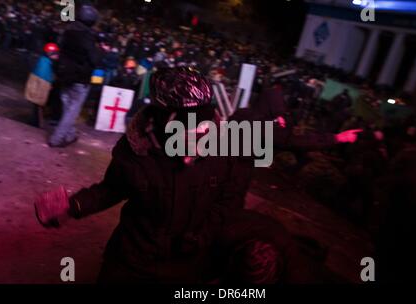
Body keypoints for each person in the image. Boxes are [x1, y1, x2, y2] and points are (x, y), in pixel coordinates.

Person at [34, 67, 362, 283]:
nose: (201, 133)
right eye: (190, 124)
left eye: (206, 122)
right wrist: (72, 206)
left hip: (186, 269)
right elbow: (110, 190)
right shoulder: (135, 152)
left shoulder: (229, 146)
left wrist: (202, 237)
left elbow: (228, 203)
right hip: (130, 262)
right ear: (164, 120)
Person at [48, 4, 101, 148]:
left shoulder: (68, 31)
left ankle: (70, 134)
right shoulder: (87, 36)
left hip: (64, 74)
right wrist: (100, 51)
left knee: (67, 106)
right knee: (72, 110)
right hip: (79, 78)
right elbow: (94, 59)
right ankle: (57, 138)